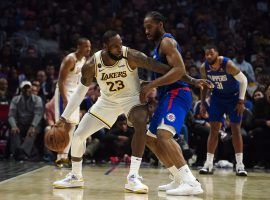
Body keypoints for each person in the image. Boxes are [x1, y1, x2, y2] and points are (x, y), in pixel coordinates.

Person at [52, 30, 175, 193]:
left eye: (120, 44)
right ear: (105, 47)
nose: (119, 48)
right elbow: (80, 92)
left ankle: (133, 177)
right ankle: (75, 176)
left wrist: (185, 75)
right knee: (78, 135)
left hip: (131, 98)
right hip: (107, 102)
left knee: (140, 125)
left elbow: (157, 66)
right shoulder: (92, 64)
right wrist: (64, 117)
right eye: (114, 46)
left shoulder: (130, 55)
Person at [141, 11, 209, 196]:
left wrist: (151, 85)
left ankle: (190, 182)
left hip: (176, 94)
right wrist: (194, 80)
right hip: (168, 95)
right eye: (145, 28)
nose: (146, 31)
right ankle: (177, 178)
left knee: (164, 134)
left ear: (160, 24)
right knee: (150, 138)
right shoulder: (159, 47)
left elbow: (179, 70)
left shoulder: (167, 42)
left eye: (150, 27)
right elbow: (175, 70)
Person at [199, 45, 248, 176]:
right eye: (206, 54)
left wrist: (241, 101)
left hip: (233, 98)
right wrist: (203, 103)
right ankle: (208, 164)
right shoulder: (204, 68)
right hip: (217, 98)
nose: (208, 56)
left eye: (211, 53)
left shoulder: (228, 64)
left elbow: (244, 80)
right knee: (214, 129)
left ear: (217, 54)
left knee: (235, 129)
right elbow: (204, 86)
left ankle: (240, 165)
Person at [54, 38, 91, 168]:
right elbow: (61, 81)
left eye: (90, 47)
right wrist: (64, 99)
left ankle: (64, 156)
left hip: (75, 94)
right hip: (64, 92)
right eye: (86, 46)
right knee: (63, 124)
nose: (88, 49)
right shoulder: (70, 59)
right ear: (79, 46)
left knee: (72, 126)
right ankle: (59, 157)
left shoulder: (84, 60)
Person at [8, 81, 43, 160]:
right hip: (20, 124)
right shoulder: (15, 99)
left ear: (31, 88)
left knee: (32, 131)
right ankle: (17, 152)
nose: (27, 90)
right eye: (25, 88)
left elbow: (38, 114)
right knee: (14, 130)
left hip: (33, 124)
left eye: (28, 88)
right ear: (21, 89)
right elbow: (11, 115)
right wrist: (14, 125)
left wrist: (33, 126)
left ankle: (23, 152)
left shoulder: (37, 99)